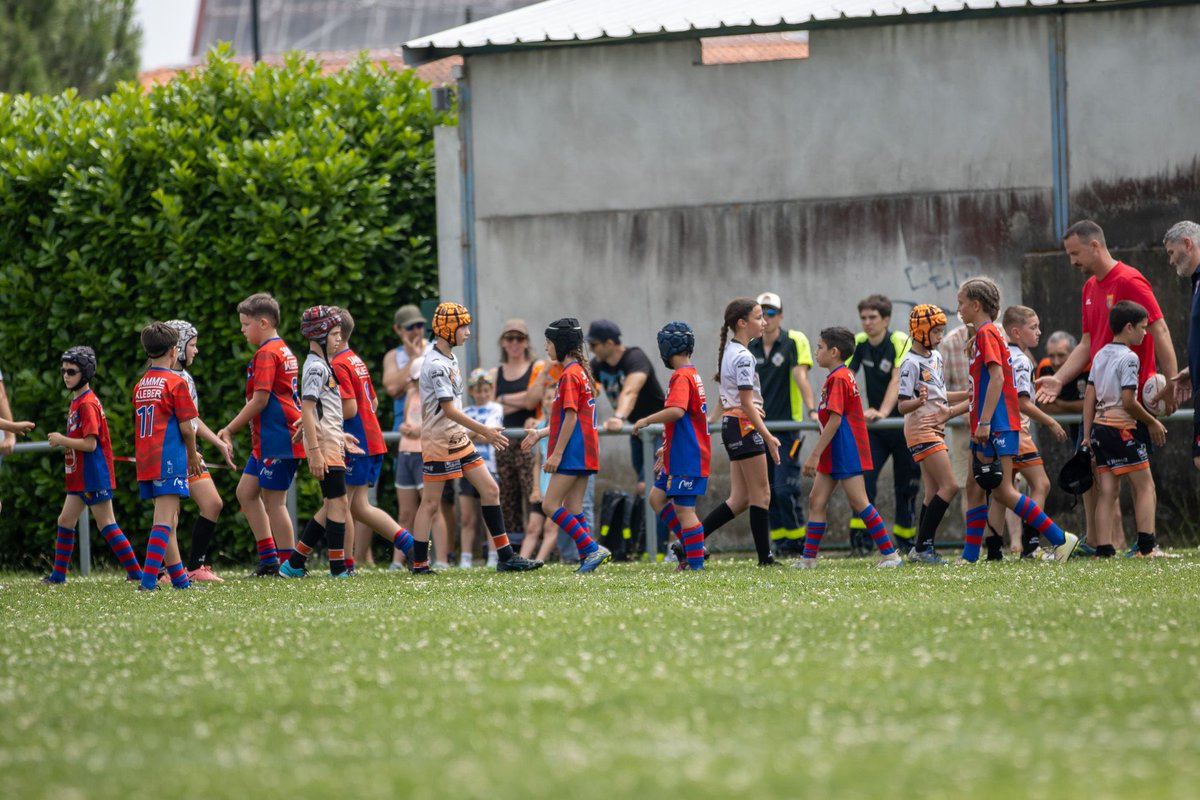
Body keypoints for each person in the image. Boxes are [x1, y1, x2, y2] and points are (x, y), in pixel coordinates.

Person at [1036, 220, 1178, 553]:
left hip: (1135, 397)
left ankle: (1146, 545)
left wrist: (1170, 383)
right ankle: (1103, 543)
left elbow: (1160, 330)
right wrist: (1059, 378)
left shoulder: (1129, 280)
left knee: (1137, 479)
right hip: (1101, 402)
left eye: (1075, 253)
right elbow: (1087, 342)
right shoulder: (1089, 288)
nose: (1072, 261)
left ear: (1095, 245)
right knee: (1101, 480)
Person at [956, 277, 1078, 564]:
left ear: (975, 305)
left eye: (961, 302)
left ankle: (1061, 538)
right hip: (989, 424)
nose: (958, 308)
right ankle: (970, 556)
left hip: (998, 425)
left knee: (1004, 491)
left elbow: (997, 378)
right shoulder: (988, 334)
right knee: (974, 487)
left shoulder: (988, 334)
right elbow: (981, 386)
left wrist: (985, 422)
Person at [413, 303, 541, 573]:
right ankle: (420, 563)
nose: (468, 332)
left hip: (457, 437)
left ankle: (505, 557)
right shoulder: (436, 364)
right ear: (448, 329)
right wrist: (484, 430)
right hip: (439, 441)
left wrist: (475, 432)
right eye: (463, 327)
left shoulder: (450, 358)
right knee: (431, 503)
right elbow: (449, 410)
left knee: (491, 490)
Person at [794, 327, 902, 568]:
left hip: (844, 448)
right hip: (834, 449)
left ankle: (891, 556)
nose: (816, 351)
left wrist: (814, 454)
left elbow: (835, 420)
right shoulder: (837, 376)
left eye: (820, 347)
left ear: (834, 352)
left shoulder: (840, 378)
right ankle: (808, 559)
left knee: (860, 502)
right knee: (816, 500)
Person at [217, 293, 305, 576]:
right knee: (245, 492)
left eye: (245, 324)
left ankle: (291, 563)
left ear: (263, 322)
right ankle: (269, 559)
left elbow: (260, 400)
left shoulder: (267, 353)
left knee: (275, 502)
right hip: (267, 440)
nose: (242, 330)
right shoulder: (283, 349)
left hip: (279, 438)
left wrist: (229, 429)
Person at [42, 346, 141, 584]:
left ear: (85, 372)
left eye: (72, 371)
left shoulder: (87, 404)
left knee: (107, 523)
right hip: (79, 475)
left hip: (93, 474)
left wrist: (60, 440)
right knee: (65, 521)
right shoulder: (78, 401)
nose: (65, 375)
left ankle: (137, 573)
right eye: (63, 370)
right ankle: (58, 576)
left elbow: (90, 444)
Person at [521, 318, 611, 573]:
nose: (547, 348)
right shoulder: (580, 373)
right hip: (586, 450)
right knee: (574, 508)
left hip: (573, 451)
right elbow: (569, 419)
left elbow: (570, 417)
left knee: (550, 505)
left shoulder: (570, 375)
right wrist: (541, 433)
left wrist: (556, 454)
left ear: (560, 344)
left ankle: (592, 548)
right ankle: (588, 558)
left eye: (549, 343)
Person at [698, 298, 781, 566]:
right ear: (742, 323)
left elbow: (726, 396)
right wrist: (768, 436)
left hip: (733, 426)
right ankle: (765, 559)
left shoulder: (731, 351)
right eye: (759, 317)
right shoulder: (744, 356)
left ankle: (688, 541)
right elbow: (745, 402)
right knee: (762, 494)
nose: (764, 322)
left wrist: (713, 421)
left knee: (741, 498)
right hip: (744, 426)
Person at [331, 308, 415, 570]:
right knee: (359, 507)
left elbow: (349, 408)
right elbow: (374, 401)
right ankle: (412, 546)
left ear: (336, 334)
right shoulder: (355, 359)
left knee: (340, 503)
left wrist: (319, 414)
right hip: (370, 440)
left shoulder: (337, 363)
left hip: (356, 443)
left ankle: (344, 565)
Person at [1082, 301, 1166, 558]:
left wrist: (1086, 436)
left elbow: (1089, 395)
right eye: (1142, 328)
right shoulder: (1130, 358)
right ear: (1128, 327)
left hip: (1100, 429)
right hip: (1122, 429)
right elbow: (1128, 401)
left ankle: (1104, 549)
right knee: (1145, 486)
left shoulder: (1100, 354)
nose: (1145, 333)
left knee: (1107, 491)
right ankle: (1146, 547)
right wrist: (1152, 421)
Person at [281, 306, 355, 578]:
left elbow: (318, 411)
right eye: (335, 334)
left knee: (333, 503)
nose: (339, 339)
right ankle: (338, 569)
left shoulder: (324, 365)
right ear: (320, 336)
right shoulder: (315, 367)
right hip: (324, 446)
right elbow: (308, 409)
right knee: (337, 503)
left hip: (332, 441)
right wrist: (313, 452)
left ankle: (295, 563)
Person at [631, 321, 710, 571]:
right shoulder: (691, 374)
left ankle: (695, 564)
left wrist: (646, 419)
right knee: (656, 498)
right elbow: (689, 420)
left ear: (667, 347)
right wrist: (666, 445)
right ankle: (689, 544)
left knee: (684, 510)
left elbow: (677, 411)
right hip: (678, 453)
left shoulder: (681, 376)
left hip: (688, 455)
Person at [164, 320, 236, 583]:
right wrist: (191, 453)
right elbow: (182, 426)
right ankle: (168, 572)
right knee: (169, 516)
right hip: (176, 455)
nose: (196, 351)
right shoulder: (167, 379)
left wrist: (218, 443)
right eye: (192, 345)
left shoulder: (185, 377)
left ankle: (195, 567)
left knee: (212, 503)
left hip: (189, 453)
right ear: (178, 347)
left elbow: (191, 419)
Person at [896, 305, 968, 564]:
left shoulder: (936, 357)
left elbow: (941, 394)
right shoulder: (909, 363)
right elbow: (902, 405)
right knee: (949, 486)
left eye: (942, 330)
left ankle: (921, 547)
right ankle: (923, 548)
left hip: (936, 427)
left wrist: (970, 392)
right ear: (921, 331)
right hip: (921, 428)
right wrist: (918, 401)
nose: (940, 335)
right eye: (936, 331)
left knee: (932, 491)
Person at [132, 323, 202, 591]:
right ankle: (147, 582)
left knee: (168, 518)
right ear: (174, 351)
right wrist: (193, 454)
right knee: (164, 520)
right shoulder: (176, 382)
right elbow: (187, 426)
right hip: (169, 457)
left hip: (146, 458)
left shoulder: (141, 384)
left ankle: (181, 581)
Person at [848, 294, 920, 553]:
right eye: (863, 318)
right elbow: (846, 378)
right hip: (876, 430)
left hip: (903, 426)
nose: (867, 323)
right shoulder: (859, 343)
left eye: (873, 318)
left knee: (906, 486)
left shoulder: (899, 340)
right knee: (864, 481)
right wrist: (852, 412)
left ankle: (906, 542)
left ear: (886, 319)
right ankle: (861, 542)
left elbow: (897, 379)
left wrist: (883, 411)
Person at [748, 292, 816, 554]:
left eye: (771, 312)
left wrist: (811, 410)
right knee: (768, 491)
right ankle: (780, 542)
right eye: (761, 313)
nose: (766, 318)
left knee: (786, 488)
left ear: (781, 315)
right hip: (758, 428)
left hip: (787, 429)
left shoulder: (794, 340)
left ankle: (798, 543)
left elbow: (801, 377)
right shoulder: (750, 346)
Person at [999, 307, 1068, 560]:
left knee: (1000, 492)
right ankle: (1031, 546)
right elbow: (1022, 403)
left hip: (1001, 431)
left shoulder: (1003, 352)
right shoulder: (1021, 359)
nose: (1039, 332)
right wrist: (1051, 422)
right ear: (1016, 332)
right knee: (1041, 484)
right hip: (1018, 431)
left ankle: (994, 548)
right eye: (1034, 327)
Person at [587, 319, 667, 495]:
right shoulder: (598, 365)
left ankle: (671, 523)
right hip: (637, 429)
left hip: (659, 429)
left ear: (609, 343)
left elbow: (630, 391)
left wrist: (618, 417)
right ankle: (650, 523)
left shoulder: (635, 357)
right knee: (642, 487)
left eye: (594, 344)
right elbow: (584, 390)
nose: (591, 349)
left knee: (652, 486)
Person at [492, 319, 544, 544]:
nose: (514, 343)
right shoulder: (496, 373)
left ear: (526, 342)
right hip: (503, 441)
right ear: (503, 342)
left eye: (519, 338)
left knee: (533, 491)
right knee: (507, 495)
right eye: (509, 338)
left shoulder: (537, 368)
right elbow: (492, 404)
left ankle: (538, 543)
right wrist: (520, 400)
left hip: (529, 439)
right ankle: (513, 547)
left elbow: (533, 400)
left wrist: (505, 399)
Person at [1162, 220, 1200, 472]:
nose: (1171, 261)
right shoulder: (1196, 281)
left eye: (1171, 253)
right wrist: (1193, 368)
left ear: (1187, 244)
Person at [460, 368, 505, 567]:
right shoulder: (465, 412)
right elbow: (462, 436)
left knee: (491, 514)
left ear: (491, 390)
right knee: (467, 517)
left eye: (486, 390)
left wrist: (472, 433)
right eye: (478, 390)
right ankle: (466, 557)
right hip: (466, 466)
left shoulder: (496, 408)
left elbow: (491, 435)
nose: (482, 394)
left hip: (489, 467)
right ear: (471, 391)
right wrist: (482, 432)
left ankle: (493, 556)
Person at [1036, 331, 1088, 442]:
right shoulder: (1045, 367)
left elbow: (1095, 407)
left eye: (1061, 355)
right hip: (1069, 427)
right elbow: (1045, 408)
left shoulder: (1090, 366)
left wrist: (1060, 403)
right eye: (1051, 356)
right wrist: (1079, 406)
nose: (1056, 362)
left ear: (1075, 353)